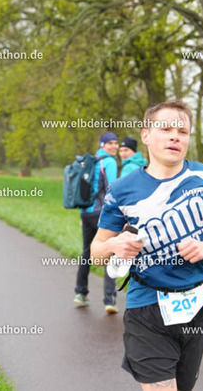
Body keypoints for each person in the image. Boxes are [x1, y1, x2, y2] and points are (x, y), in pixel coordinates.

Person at [91, 100, 203, 391]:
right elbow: (96, 253)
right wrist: (114, 244)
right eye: (165, 129)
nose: (175, 137)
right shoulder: (122, 190)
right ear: (146, 135)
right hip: (146, 307)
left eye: (183, 131)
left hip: (197, 303)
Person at [74, 132, 120, 313]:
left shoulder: (90, 161)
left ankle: (80, 293)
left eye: (116, 143)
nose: (114, 146)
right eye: (110, 143)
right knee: (109, 253)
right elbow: (113, 190)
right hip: (102, 214)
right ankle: (110, 300)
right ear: (102, 145)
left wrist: (82, 214)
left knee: (87, 252)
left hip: (86, 213)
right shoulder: (109, 162)